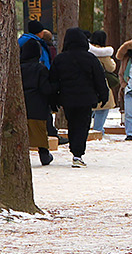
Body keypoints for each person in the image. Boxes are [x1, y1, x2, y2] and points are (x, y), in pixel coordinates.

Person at [48, 28, 110, 166]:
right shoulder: (90, 59)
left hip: (67, 99)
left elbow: (53, 81)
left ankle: (75, 150)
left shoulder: (60, 59)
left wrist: (53, 101)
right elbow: (99, 79)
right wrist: (103, 96)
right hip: (86, 99)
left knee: (72, 124)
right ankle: (78, 153)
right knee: (83, 125)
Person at [18, 32, 57, 166]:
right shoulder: (40, 69)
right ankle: (44, 154)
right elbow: (45, 88)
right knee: (40, 131)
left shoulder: (18, 69)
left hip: (21, 104)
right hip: (38, 105)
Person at [88, 31, 115, 135]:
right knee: (102, 109)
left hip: (88, 86)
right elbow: (111, 68)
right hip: (101, 85)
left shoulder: (87, 51)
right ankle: (98, 132)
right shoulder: (103, 53)